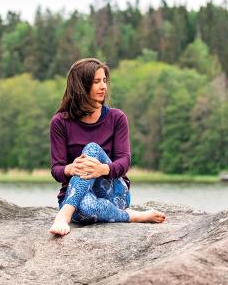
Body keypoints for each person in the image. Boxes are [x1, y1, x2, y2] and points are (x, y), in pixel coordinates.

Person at [49, 58, 166, 236]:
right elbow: (56, 170)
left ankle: (65, 214)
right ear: (80, 86)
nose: (103, 86)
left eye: (104, 80)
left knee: (92, 149)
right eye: (96, 82)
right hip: (77, 195)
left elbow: (124, 162)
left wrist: (101, 169)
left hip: (114, 191)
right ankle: (131, 216)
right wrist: (70, 168)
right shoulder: (60, 122)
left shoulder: (116, 118)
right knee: (86, 208)